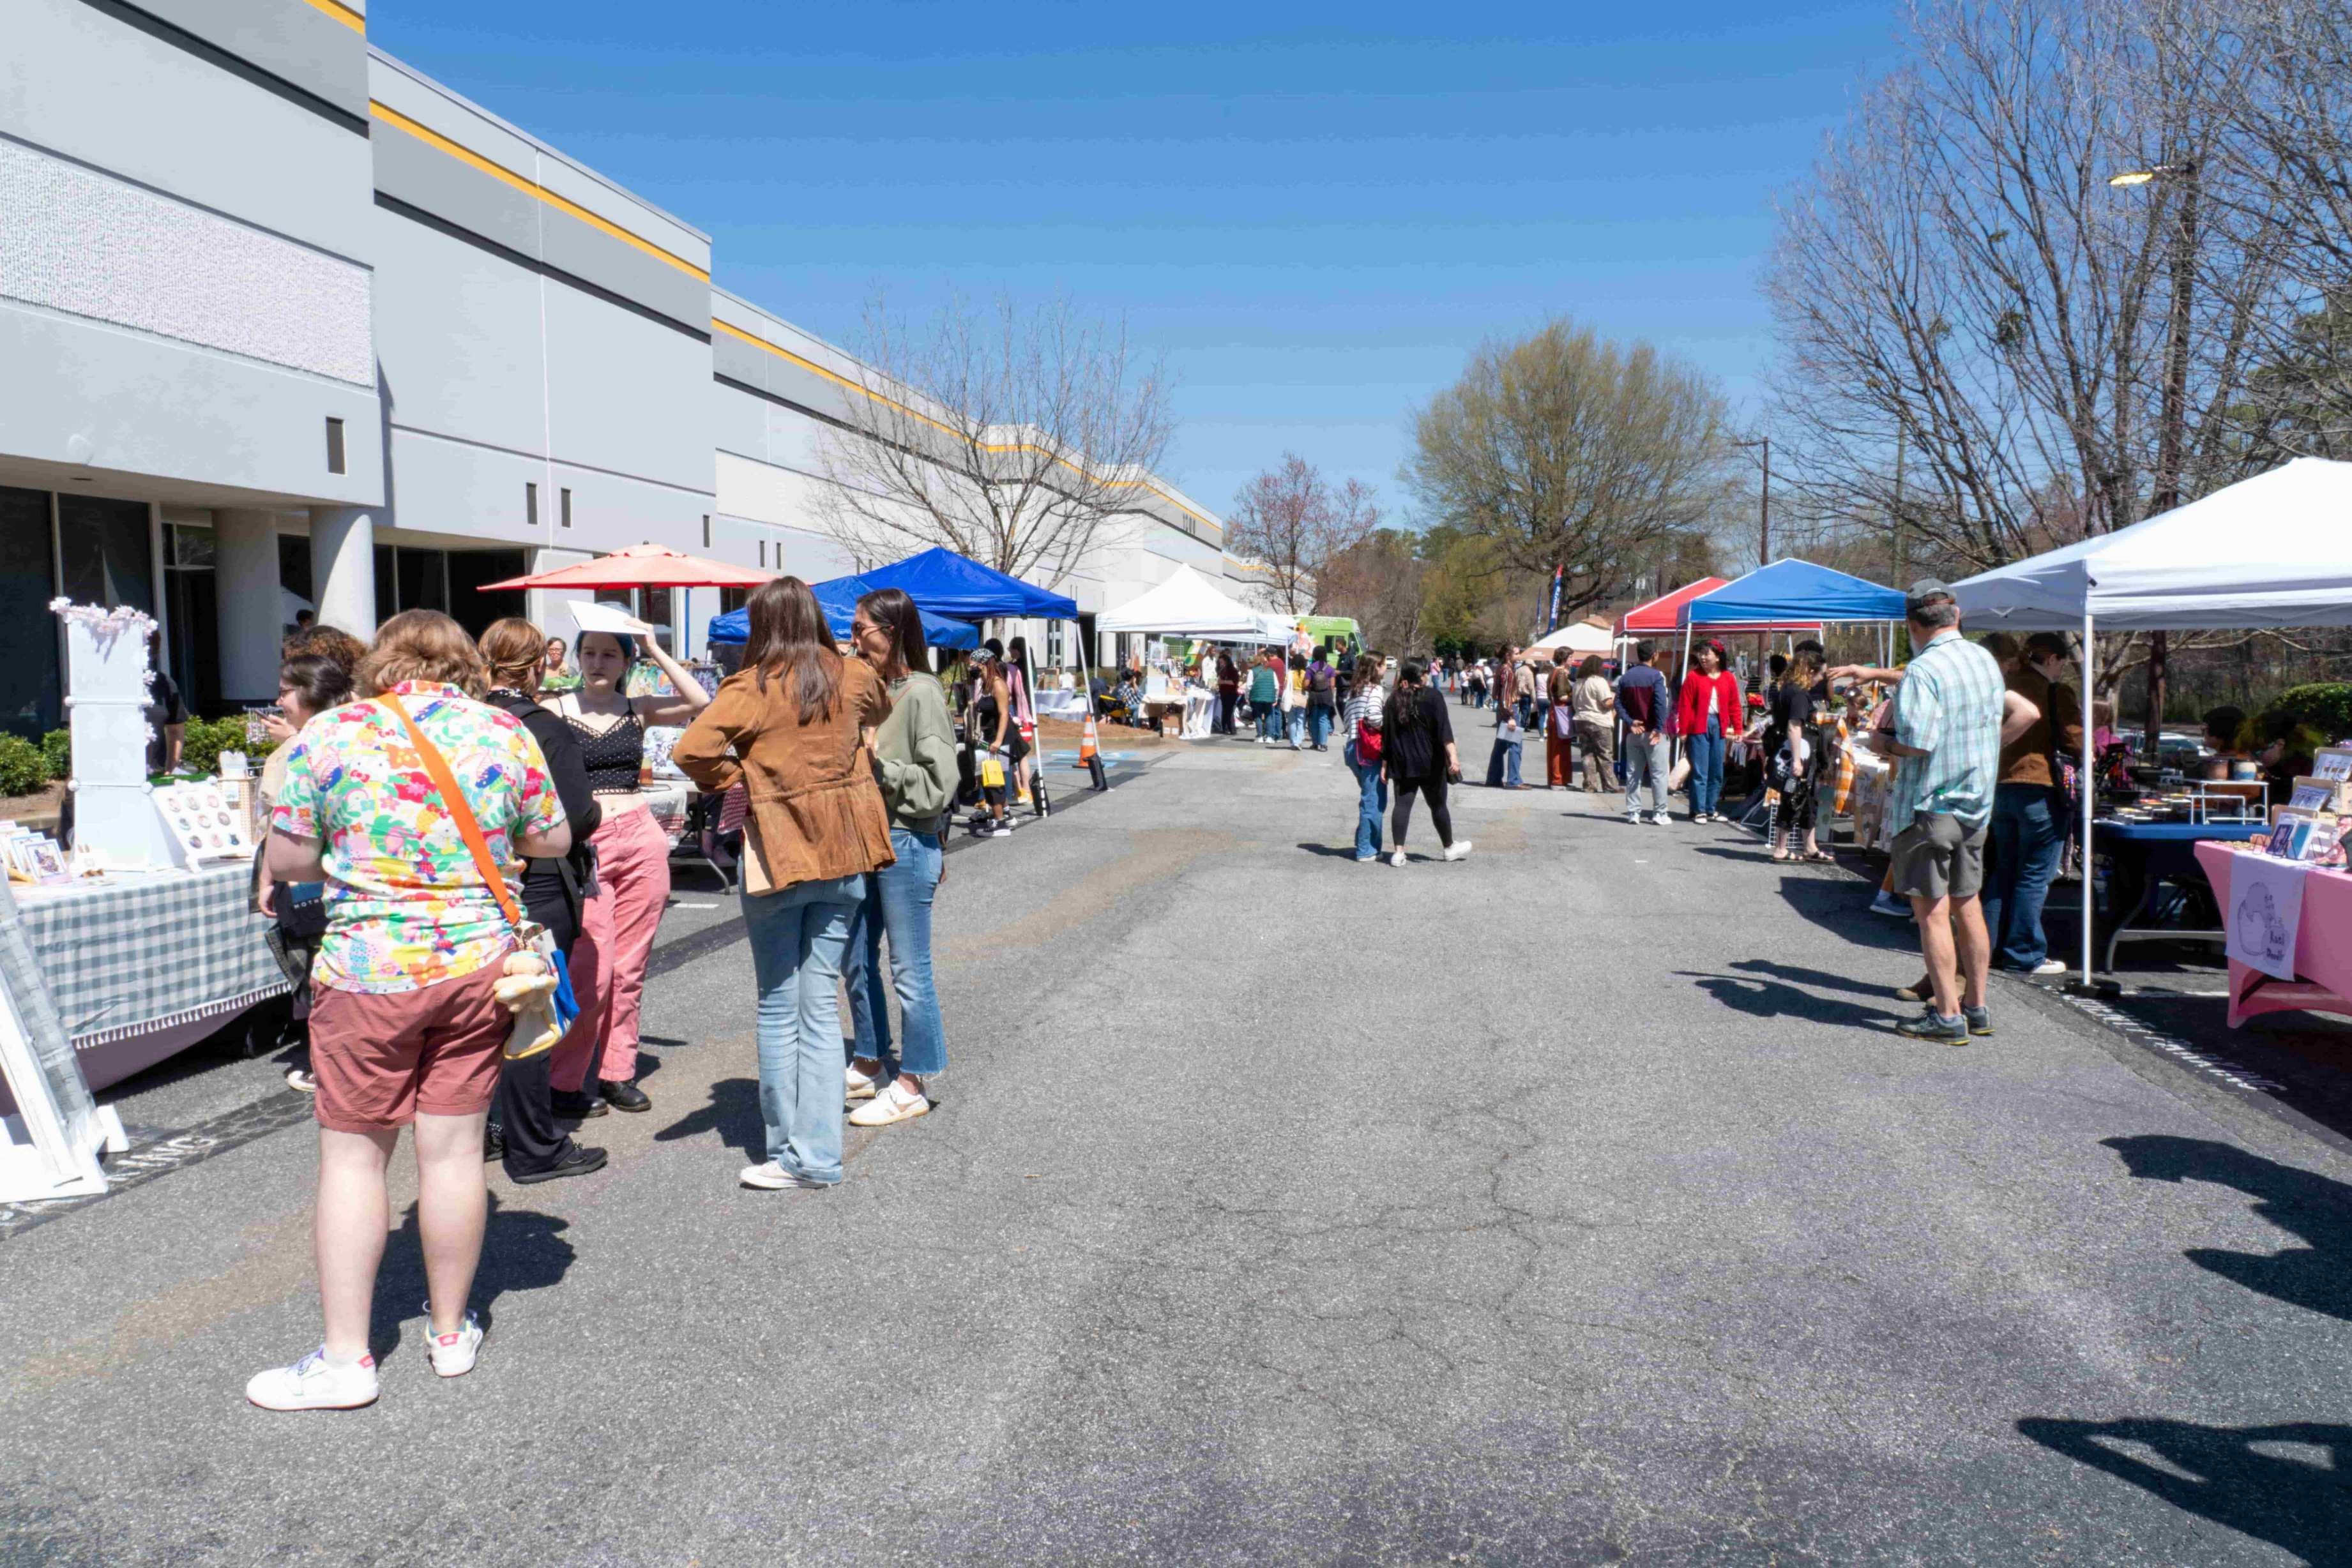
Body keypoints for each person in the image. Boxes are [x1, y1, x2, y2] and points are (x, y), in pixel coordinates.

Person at [245, 610, 570, 1411]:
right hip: (476, 966)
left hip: (369, 970)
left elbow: (287, 860)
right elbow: (554, 840)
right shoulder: (502, 731)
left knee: (356, 1159)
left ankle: (348, 1358)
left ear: (378, 662)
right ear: (463, 663)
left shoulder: (333, 735)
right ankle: (452, 1333)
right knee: (455, 1155)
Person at [674, 578, 894, 1190]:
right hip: (846, 850)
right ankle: (817, 1155)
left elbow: (692, 751)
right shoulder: (851, 674)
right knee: (820, 1008)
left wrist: (742, 775)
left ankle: (792, 1153)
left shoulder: (754, 685)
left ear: (763, 624)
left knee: (779, 1003)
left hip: (777, 852)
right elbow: (881, 709)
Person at [545, 624, 711, 1115]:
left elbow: (699, 699)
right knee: (588, 968)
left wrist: (655, 648)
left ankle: (617, 1071)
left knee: (630, 968)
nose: (597, 663)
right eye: (589, 654)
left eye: (609, 656)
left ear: (624, 663)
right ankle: (565, 1078)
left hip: (640, 833)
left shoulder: (637, 709)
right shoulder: (554, 709)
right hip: (585, 841)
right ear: (577, 659)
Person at [475, 618, 609, 1184]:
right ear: (536, 667)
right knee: (530, 1009)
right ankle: (534, 1147)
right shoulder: (542, 729)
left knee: (479, 1015)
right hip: (539, 878)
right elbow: (578, 816)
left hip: (471, 882)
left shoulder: (462, 725)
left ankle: (482, 1129)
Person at [1869, 582, 2016, 1043]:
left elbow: (1917, 743)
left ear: (1913, 625)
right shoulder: (1983, 661)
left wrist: (1882, 743)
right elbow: (2018, 715)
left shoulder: (1922, 669)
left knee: (1931, 913)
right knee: (1967, 905)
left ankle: (1947, 1016)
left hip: (1930, 805)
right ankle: (1976, 1005)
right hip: (1975, 803)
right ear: (1955, 615)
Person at [840, 589, 958, 1129]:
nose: (853, 638)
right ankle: (869, 1056)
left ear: (892, 631)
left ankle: (912, 1080)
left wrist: (877, 764)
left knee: (910, 968)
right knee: (857, 959)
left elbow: (938, 785)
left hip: (907, 840)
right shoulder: (868, 691)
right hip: (866, 840)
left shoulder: (921, 693)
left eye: (862, 629)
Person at [255, 649, 359, 1095]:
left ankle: (332, 1066)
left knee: (322, 979)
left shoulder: (306, 747)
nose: (279, 702)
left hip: (311, 881)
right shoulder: (362, 734)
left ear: (310, 693)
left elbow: (284, 828)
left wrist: (268, 879)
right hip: (351, 879)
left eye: (284, 693)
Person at [1980, 631, 2083, 977]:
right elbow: (2075, 740)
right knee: (2034, 875)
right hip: (2040, 788)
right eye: (2063, 662)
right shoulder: (2056, 693)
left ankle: (1986, 948)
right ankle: (2024, 953)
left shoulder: (2004, 685)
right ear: (2052, 659)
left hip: (2001, 787)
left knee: (2003, 870)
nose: (2063, 669)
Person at [1381, 660, 1469, 865]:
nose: (1427, 675)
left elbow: (1387, 735)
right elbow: (1444, 732)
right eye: (1425, 672)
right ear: (1419, 676)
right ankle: (1449, 847)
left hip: (1403, 761)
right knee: (1438, 805)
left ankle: (1398, 853)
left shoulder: (1394, 699)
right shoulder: (1433, 697)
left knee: (1402, 806)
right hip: (1431, 762)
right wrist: (1453, 757)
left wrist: (1385, 764)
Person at [1763, 642, 1832, 863]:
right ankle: (1781, 849)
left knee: (1808, 800)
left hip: (1800, 752)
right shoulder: (1798, 694)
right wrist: (1797, 760)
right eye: (1821, 674)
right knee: (1792, 799)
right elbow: (1794, 727)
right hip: (1797, 753)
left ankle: (1810, 847)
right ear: (1810, 671)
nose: (1821, 679)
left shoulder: (1789, 689)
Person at [1676, 640, 1741, 823]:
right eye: (1701, 654)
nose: (1703, 657)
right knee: (1700, 770)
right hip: (1698, 726)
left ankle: (1711, 808)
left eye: (1707, 654)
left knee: (1716, 770)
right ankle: (1699, 810)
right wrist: (1683, 730)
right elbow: (1685, 705)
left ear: (1718, 657)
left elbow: (1734, 704)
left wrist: (1738, 728)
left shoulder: (1728, 677)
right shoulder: (1693, 677)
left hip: (1719, 726)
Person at [1616, 641, 1672, 825]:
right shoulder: (1657, 676)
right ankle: (1660, 813)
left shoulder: (1625, 678)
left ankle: (1633, 812)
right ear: (1655, 655)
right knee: (1659, 774)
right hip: (1653, 732)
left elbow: (1618, 704)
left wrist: (1630, 721)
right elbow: (1660, 704)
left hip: (1634, 731)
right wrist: (1658, 728)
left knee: (1633, 774)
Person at [1342, 652, 1390, 862]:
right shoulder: (1375, 689)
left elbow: (1346, 719)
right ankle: (1367, 849)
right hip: (1369, 749)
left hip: (1353, 747)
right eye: (1384, 665)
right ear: (1376, 667)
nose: (1386, 668)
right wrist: (1388, 726)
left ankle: (1364, 841)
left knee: (1368, 796)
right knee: (1373, 799)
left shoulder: (1353, 691)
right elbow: (1374, 716)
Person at [1570, 655, 1615, 794]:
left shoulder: (1578, 682)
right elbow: (1607, 703)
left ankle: (1590, 785)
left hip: (1581, 720)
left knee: (1587, 753)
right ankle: (1610, 785)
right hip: (1599, 721)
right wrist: (1616, 698)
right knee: (1605, 754)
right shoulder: (1599, 681)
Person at [1545, 652, 1579, 789]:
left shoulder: (1556, 672)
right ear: (1564, 659)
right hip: (1561, 712)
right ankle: (1558, 779)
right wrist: (1575, 697)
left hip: (1557, 712)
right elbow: (1562, 697)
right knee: (1559, 747)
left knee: (1560, 746)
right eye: (1571, 657)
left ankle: (1560, 779)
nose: (1573, 660)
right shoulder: (1560, 674)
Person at [1304, 645, 1340, 750]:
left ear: (1314, 655)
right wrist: (1330, 694)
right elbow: (1333, 685)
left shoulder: (1310, 669)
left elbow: (1306, 684)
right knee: (1323, 719)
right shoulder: (1330, 669)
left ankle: (1315, 743)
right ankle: (1323, 744)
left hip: (1314, 696)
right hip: (1326, 696)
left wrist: (1310, 689)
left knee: (1314, 719)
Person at [1250, 649, 1282, 744]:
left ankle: (1260, 736)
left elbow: (1248, 686)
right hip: (1269, 697)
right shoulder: (1271, 671)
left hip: (1256, 697)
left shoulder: (1253, 671)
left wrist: (1248, 697)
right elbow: (1276, 686)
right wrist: (1275, 698)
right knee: (1269, 716)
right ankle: (1269, 737)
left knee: (1258, 716)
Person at [1282, 649, 1309, 749]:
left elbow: (1285, 686)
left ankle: (1293, 742)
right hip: (1302, 698)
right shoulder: (1305, 673)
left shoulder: (1290, 673)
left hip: (1291, 698)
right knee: (1301, 721)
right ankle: (1298, 741)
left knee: (1291, 722)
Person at [1215, 650, 1240, 736]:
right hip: (1224, 693)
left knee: (1229, 712)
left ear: (1226, 661)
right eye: (1220, 662)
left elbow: (1233, 682)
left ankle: (1231, 728)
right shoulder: (1223, 669)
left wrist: (1222, 682)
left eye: (1222, 662)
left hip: (1230, 693)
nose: (1221, 663)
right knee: (1225, 711)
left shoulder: (1232, 670)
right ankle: (1225, 727)